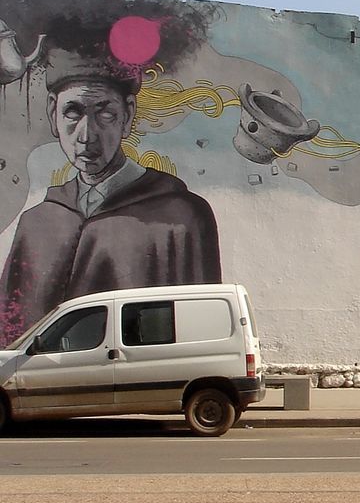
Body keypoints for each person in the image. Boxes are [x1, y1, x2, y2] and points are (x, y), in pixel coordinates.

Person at [1, 39, 221, 339]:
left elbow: (203, 332)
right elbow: (11, 333)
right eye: (73, 112)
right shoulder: (37, 222)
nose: (87, 135)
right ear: (53, 111)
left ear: (127, 116)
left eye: (104, 113)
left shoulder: (181, 218)